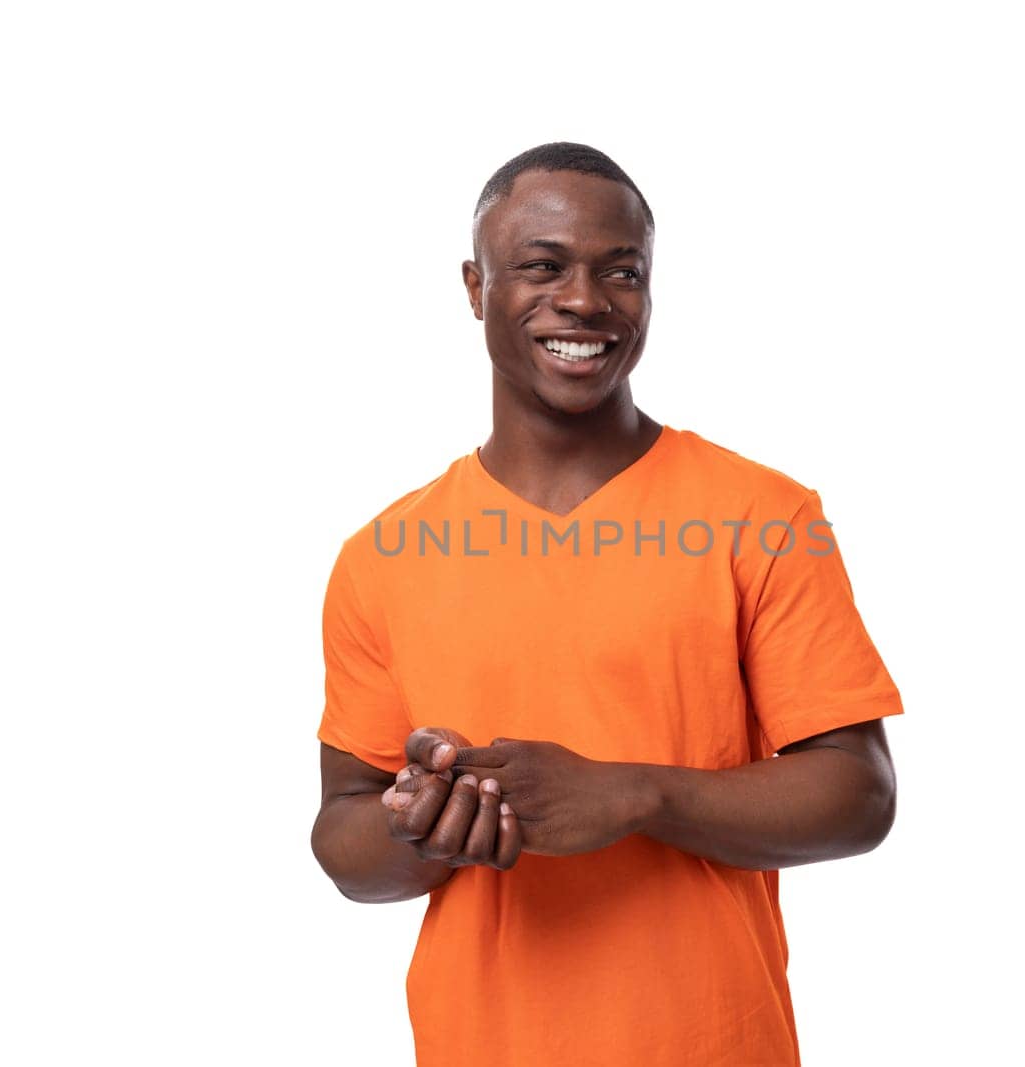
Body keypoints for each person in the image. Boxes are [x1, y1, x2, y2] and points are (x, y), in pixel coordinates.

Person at [310, 142, 904, 1066]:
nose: (585, 299)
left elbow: (860, 795)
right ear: (475, 286)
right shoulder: (381, 555)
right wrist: (418, 827)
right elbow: (343, 831)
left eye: (621, 271)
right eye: (543, 265)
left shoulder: (766, 515)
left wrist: (635, 793)